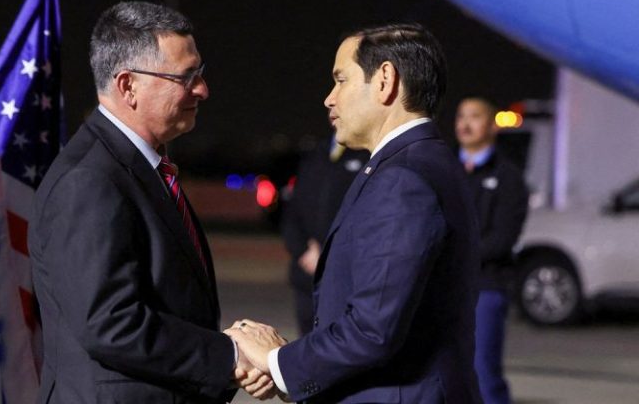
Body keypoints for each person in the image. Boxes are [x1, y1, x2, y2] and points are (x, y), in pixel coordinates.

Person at [29, 1, 272, 403]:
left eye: (200, 72)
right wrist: (229, 355)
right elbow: (111, 323)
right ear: (128, 86)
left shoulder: (137, 167)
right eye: (186, 77)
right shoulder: (89, 180)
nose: (202, 89)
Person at [226, 24, 483, 403]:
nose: (329, 99)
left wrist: (276, 361)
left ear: (385, 81)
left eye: (341, 80)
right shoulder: (424, 161)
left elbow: (372, 329)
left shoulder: (402, 179)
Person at [455, 96, 529, 404]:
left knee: (482, 373)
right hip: (442, 287)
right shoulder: (444, 170)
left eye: (474, 116)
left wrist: (453, 257)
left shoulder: (507, 177)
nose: (465, 124)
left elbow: (503, 238)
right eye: (461, 116)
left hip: (485, 287)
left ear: (491, 125)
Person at [281, 132, 369, 336]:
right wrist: (302, 250)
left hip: (344, 277)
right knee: (306, 340)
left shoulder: (369, 154)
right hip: (307, 274)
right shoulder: (314, 154)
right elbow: (292, 213)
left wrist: (329, 257)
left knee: (338, 341)